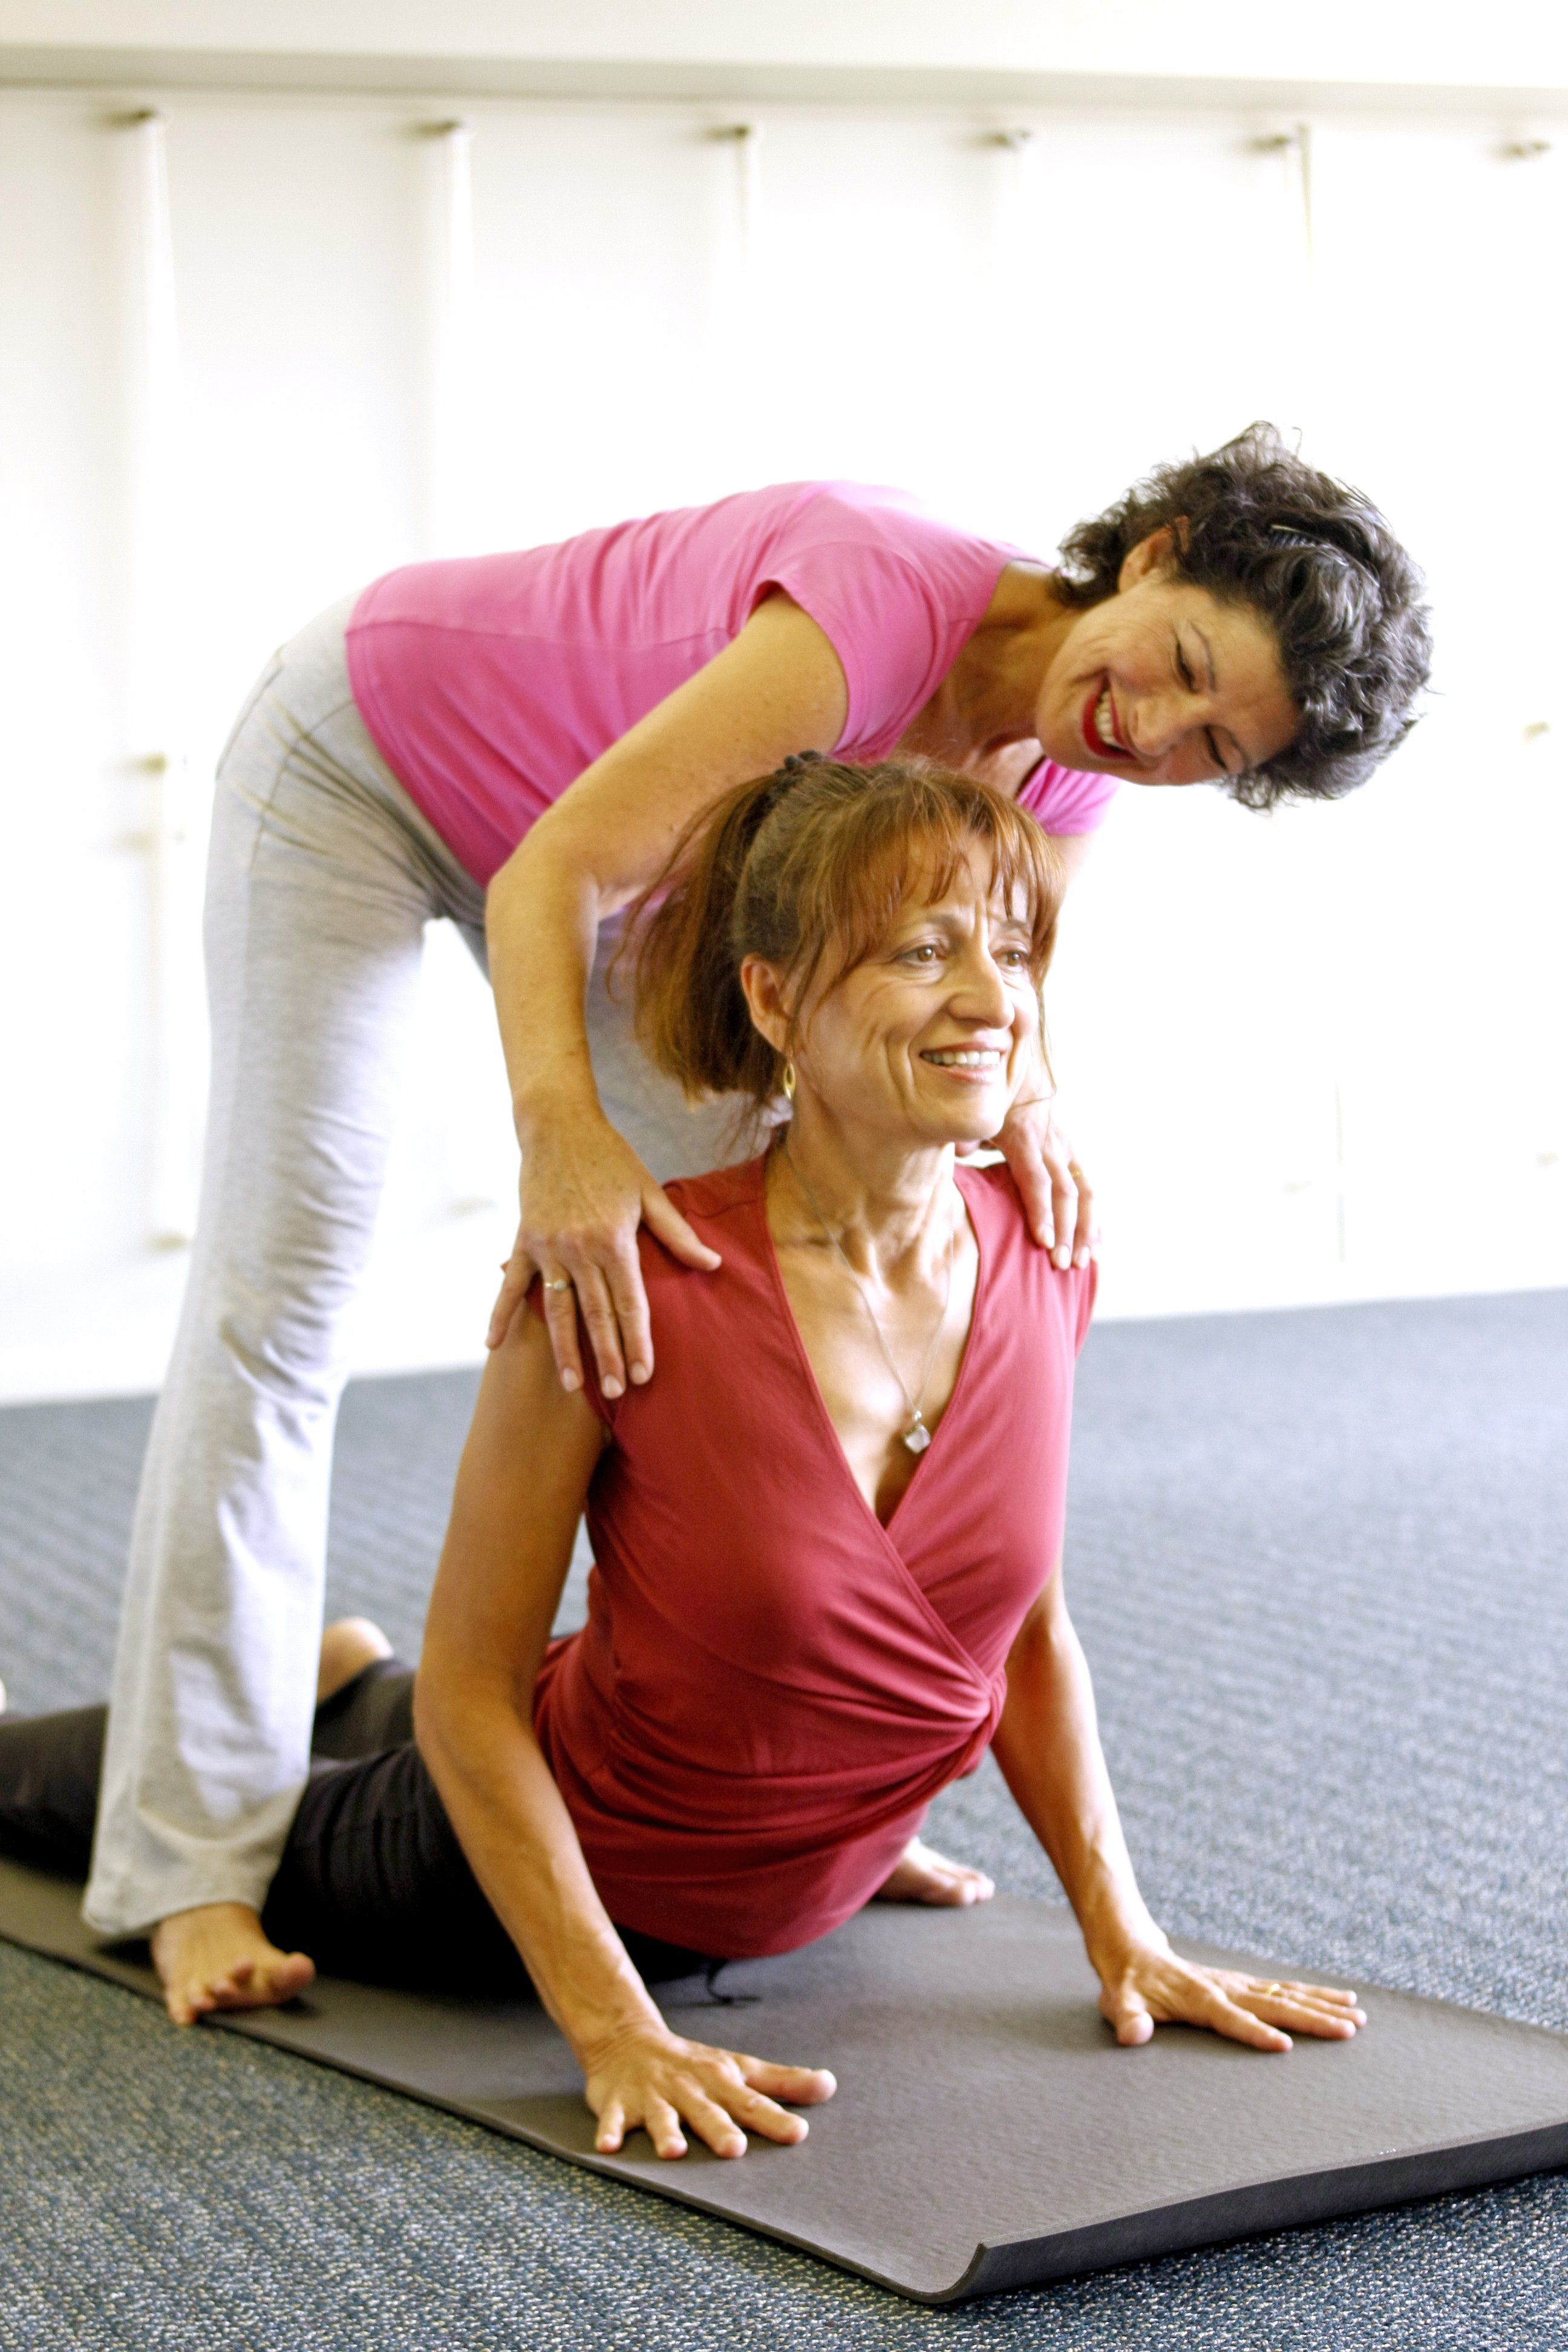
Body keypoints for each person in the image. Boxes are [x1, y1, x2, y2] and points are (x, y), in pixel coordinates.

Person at [82, 425, 1431, 2025]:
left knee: (752, 1279)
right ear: (1153, 555)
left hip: (625, 875)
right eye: (1185, 665)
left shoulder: (1080, 759)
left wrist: (1037, 1106)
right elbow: (553, 872)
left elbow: (1006, 978)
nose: (1155, 730)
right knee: (287, 1290)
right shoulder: (878, 610)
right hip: (375, 761)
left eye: (1215, 745)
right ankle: (188, 1862)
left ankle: (780, 1784)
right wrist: (561, 1139)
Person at [8, 760, 1365, 2142]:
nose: (990, 998)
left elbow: (1025, 1634)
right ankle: (269, 1708)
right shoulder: (624, 1281)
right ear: (774, 1001)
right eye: (922, 951)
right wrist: (616, 2028)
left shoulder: (1043, 1246)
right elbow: (473, 1701)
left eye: (1011, 951)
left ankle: (344, 1681)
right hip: (521, 1865)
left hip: (775, 1851)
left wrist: (1124, 1934)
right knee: (137, 1797)